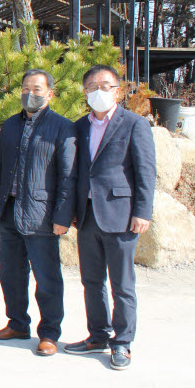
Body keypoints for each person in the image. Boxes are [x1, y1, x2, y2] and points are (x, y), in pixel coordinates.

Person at [64, 64, 155, 370]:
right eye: (91, 86)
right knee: (91, 281)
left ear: (117, 90)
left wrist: (143, 211)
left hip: (121, 214)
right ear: (85, 91)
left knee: (122, 284)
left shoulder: (134, 124)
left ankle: (123, 342)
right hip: (88, 215)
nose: (98, 91)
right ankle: (98, 335)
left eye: (105, 86)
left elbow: (145, 171)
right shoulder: (79, 126)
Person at [0, 68, 76, 357]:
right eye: (26, 88)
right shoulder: (10, 125)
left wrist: (63, 216)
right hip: (9, 210)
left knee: (47, 277)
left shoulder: (63, 127)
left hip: (42, 216)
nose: (30, 94)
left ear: (50, 93)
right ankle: (17, 323)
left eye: (37, 89)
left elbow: (68, 176)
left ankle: (49, 333)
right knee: (10, 273)